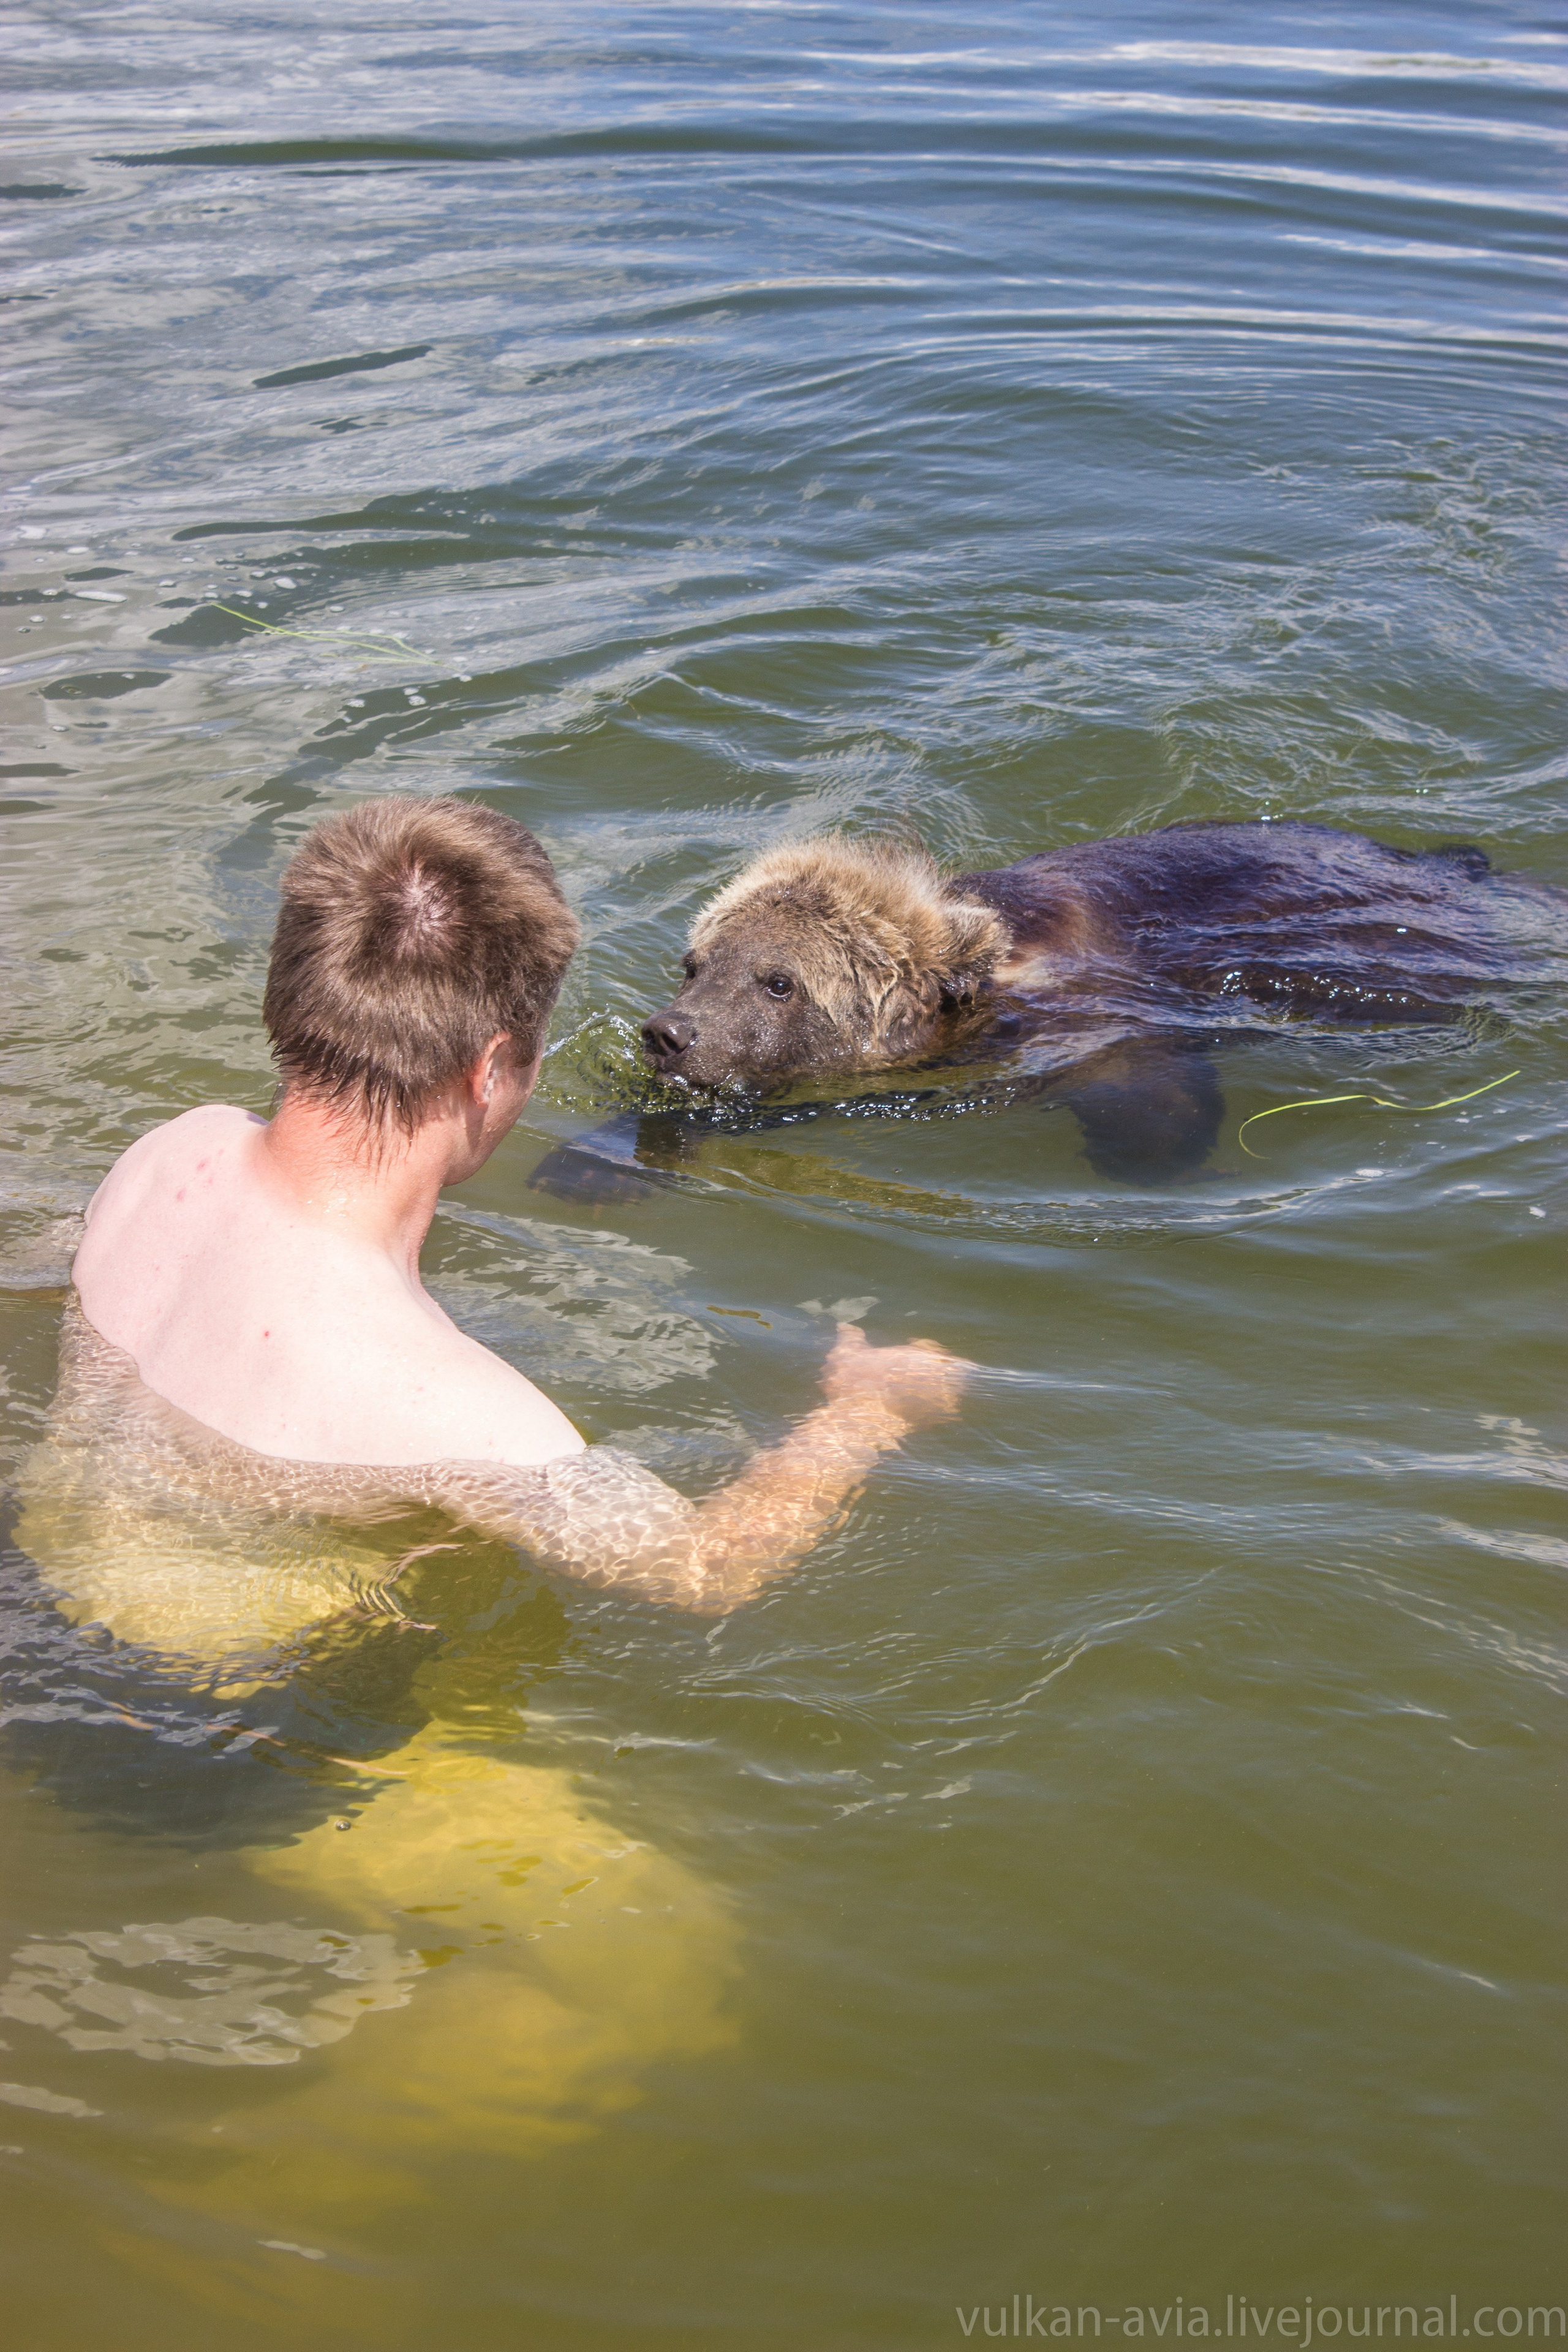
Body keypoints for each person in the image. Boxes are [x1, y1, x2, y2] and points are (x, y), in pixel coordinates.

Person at [67, 794, 968, 1618]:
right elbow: (704, 1570)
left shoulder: (164, 1157)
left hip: (56, 1583)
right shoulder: (465, 1418)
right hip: (225, 1719)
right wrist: (867, 1411)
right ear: (493, 1070)